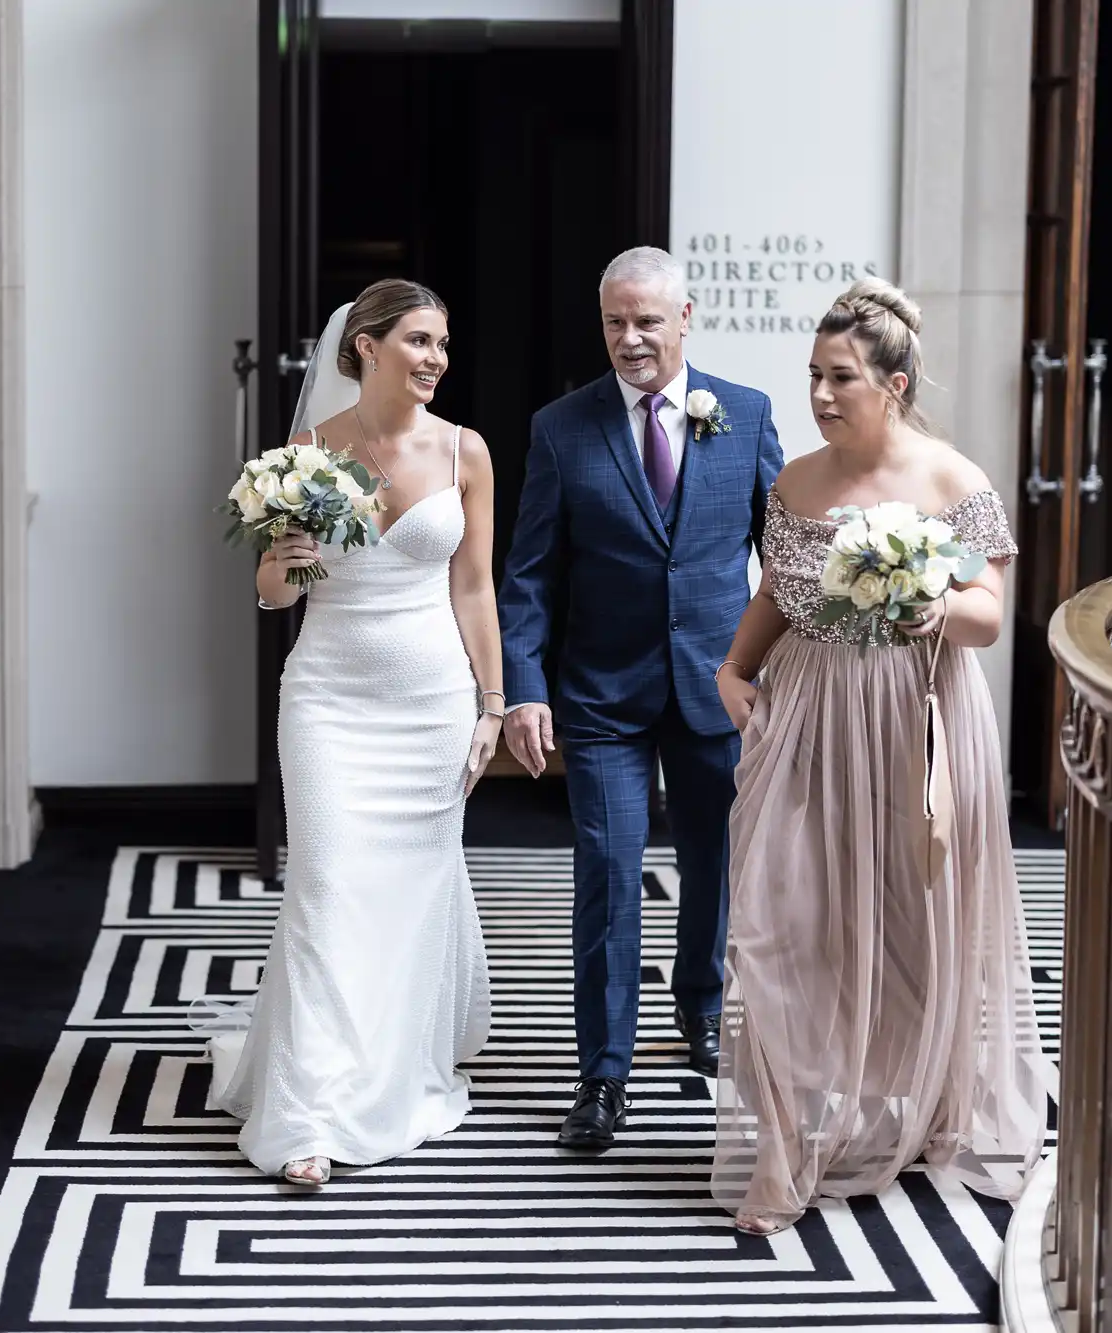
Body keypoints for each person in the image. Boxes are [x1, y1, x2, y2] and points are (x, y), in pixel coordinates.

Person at [709, 279, 1048, 1234]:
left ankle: (933, 1104)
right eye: (814, 375)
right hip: (809, 715)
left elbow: (988, 614)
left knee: (915, 931)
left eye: (841, 378)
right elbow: (777, 590)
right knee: (772, 929)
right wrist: (734, 669)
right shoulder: (798, 481)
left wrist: (934, 606)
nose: (820, 394)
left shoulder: (952, 480)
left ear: (893, 385)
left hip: (916, 717)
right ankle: (781, 1151)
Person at [206, 279, 500, 1187]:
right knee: (329, 885)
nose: (435, 358)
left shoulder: (466, 451)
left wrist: (492, 703)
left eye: (443, 344)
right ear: (364, 346)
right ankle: (307, 1110)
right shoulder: (301, 453)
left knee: (405, 900)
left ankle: (387, 1070)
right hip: (329, 698)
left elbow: (475, 587)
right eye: (417, 340)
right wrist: (281, 567)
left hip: (431, 707)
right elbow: (272, 594)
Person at [499, 246, 783, 1150]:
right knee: (609, 876)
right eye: (615, 322)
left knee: (714, 867)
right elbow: (530, 576)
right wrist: (525, 689)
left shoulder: (744, 414)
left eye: (647, 321)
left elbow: (785, 562)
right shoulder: (559, 428)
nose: (630, 339)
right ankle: (603, 1075)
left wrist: (790, 673)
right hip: (601, 696)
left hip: (718, 686)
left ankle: (700, 1006)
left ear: (686, 317)